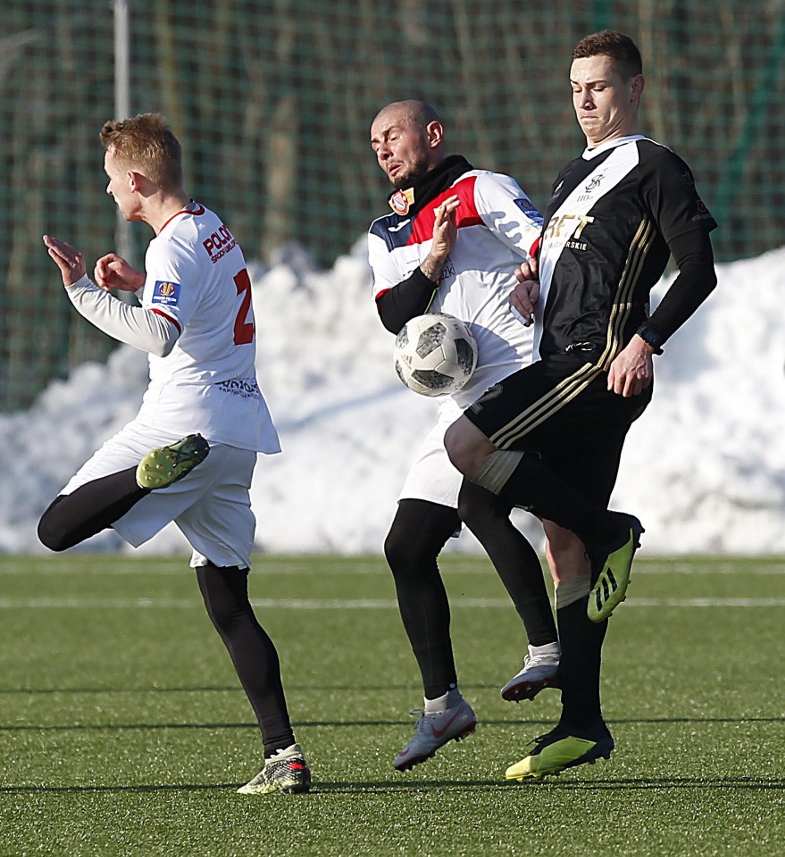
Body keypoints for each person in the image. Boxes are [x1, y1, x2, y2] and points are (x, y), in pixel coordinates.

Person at [444, 31, 718, 780]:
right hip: (562, 356)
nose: (585, 100)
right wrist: (534, 284)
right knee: (565, 547)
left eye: (598, 86)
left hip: (599, 366)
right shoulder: (574, 174)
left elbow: (700, 268)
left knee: (466, 451)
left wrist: (646, 339)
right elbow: (567, 261)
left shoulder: (654, 165)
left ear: (634, 87)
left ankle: (617, 530)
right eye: (575, 88)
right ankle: (582, 724)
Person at [37, 113, 311, 796]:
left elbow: (159, 336)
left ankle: (144, 473)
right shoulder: (208, 225)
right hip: (237, 433)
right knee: (228, 600)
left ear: (137, 180)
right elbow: (199, 301)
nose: (107, 192)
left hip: (180, 428)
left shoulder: (172, 249)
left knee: (56, 526)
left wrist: (86, 293)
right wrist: (137, 280)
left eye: (110, 180)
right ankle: (285, 755)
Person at [368, 99, 571, 772]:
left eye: (392, 134)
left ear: (432, 133)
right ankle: (442, 705)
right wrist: (434, 261)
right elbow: (395, 314)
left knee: (477, 503)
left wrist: (532, 277)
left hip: (517, 376)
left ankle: (550, 646)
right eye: (374, 141)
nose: (383, 148)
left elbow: (553, 243)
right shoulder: (388, 230)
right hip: (456, 402)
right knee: (406, 546)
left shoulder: (481, 189)